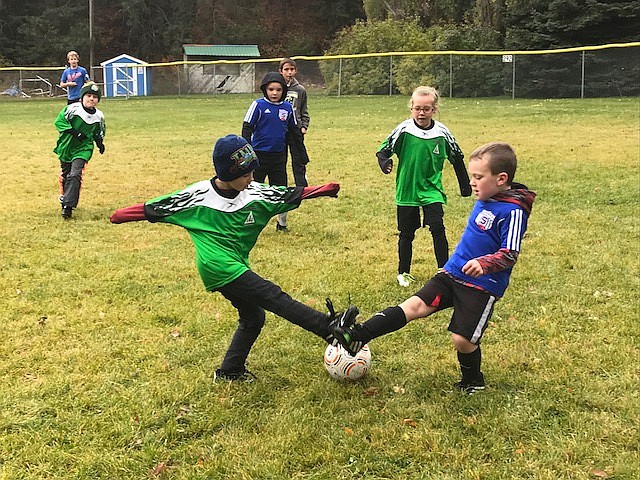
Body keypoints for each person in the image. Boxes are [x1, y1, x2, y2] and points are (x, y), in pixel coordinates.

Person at [109, 134, 358, 382]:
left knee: (253, 317)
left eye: (253, 173)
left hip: (237, 264)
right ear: (227, 174)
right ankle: (327, 328)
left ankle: (230, 370)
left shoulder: (256, 194)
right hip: (217, 266)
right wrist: (120, 215)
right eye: (245, 175)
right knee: (271, 294)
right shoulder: (196, 196)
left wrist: (320, 191)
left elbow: (286, 195)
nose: (251, 179)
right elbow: (156, 208)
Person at [331, 142, 536, 394]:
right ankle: (360, 335)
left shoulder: (513, 211)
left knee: (462, 340)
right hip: (452, 273)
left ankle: (473, 381)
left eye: (478, 177)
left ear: (501, 179)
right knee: (414, 305)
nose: (472, 182)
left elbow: (510, 253)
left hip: (481, 286)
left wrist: (483, 264)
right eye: (472, 176)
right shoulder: (488, 196)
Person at [376, 86, 472, 287]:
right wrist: (385, 163)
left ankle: (444, 270)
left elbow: (457, 158)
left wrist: (465, 186)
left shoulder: (442, 133)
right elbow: (382, 152)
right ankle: (404, 272)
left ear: (434, 109)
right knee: (406, 233)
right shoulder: (403, 130)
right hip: (407, 189)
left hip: (432, 190)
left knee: (437, 227)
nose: (421, 113)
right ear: (411, 107)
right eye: (417, 108)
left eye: (426, 109)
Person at [242, 72, 309, 232]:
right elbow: (246, 129)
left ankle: (282, 223)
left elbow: (294, 132)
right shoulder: (257, 105)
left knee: (281, 191)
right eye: (271, 89)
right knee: (253, 191)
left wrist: (301, 155)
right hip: (258, 157)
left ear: (283, 91)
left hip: (279, 157)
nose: (274, 93)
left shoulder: (287, 108)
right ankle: (249, 223)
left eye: (278, 90)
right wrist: (247, 153)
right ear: (265, 89)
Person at [53, 82, 105, 219]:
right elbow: (59, 122)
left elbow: (98, 132)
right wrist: (74, 132)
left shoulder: (99, 116)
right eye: (88, 95)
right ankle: (65, 198)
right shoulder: (72, 109)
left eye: (95, 96)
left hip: (84, 148)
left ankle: (68, 206)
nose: (91, 99)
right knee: (66, 175)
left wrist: (100, 143)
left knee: (75, 174)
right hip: (67, 146)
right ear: (82, 97)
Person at [279, 58, 310, 188]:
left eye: (292, 69)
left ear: (295, 71)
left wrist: (303, 126)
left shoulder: (300, 90)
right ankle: (281, 185)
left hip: (296, 130)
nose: (289, 72)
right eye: (286, 70)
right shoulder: (277, 89)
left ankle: (301, 186)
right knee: (280, 160)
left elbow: (303, 110)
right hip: (280, 131)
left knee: (298, 159)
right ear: (281, 71)